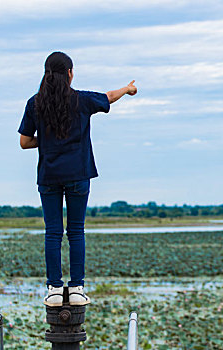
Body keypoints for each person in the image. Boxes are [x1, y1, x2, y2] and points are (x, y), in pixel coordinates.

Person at [18, 51, 137, 306]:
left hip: (48, 176)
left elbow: (25, 142)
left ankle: (53, 289)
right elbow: (108, 98)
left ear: (46, 74)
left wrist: (47, 141)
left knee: (52, 232)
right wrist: (127, 89)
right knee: (75, 231)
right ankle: (76, 289)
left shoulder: (34, 103)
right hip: (78, 176)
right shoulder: (81, 100)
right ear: (70, 73)